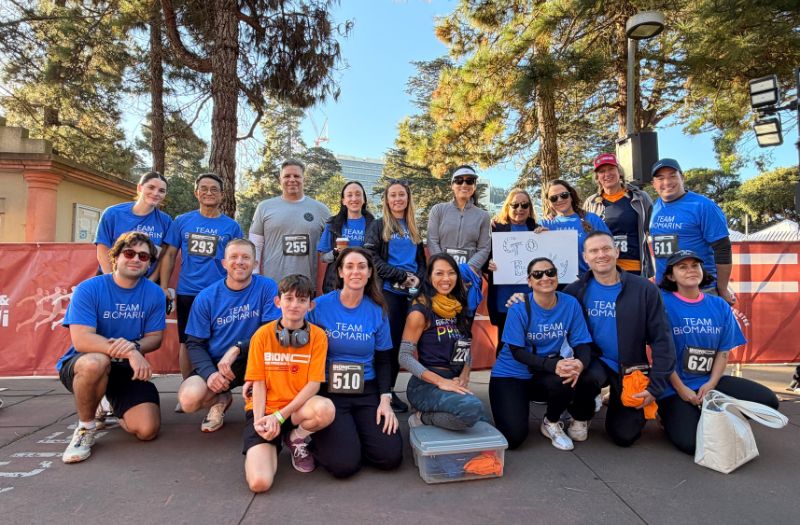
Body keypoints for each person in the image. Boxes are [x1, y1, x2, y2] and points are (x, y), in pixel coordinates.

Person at [56, 232, 166, 464]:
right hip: (85, 364)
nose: (136, 259)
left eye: (143, 256)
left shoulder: (155, 293)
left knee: (147, 430)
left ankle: (108, 400)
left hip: (125, 370)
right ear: (115, 257)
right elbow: (82, 340)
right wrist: (131, 351)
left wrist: (135, 346)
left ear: (149, 263)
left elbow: (155, 338)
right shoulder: (89, 288)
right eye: (129, 253)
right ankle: (86, 428)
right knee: (96, 362)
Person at [656, 250, 779, 454]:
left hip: (709, 382)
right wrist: (682, 389)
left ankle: (714, 414)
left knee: (769, 401)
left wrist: (711, 384)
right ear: (671, 275)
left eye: (695, 265)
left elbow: (723, 351)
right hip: (674, 387)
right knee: (691, 444)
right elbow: (660, 355)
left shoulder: (719, 305)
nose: (690, 270)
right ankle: (668, 416)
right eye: (682, 267)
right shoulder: (662, 304)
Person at [563, 231, 676, 447]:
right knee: (584, 377)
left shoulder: (644, 289)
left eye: (606, 249)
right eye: (594, 251)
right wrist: (520, 300)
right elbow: (546, 309)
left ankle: (616, 398)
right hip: (594, 362)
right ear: (585, 257)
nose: (601, 255)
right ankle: (581, 414)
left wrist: (655, 387)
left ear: (617, 251)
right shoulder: (574, 290)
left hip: (631, 368)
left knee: (624, 437)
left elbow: (662, 340)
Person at [307, 248, 402, 477]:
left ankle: (354, 436)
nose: (355, 271)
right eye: (349, 266)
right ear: (340, 272)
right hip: (330, 392)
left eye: (362, 266)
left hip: (367, 390)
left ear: (369, 273)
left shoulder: (378, 311)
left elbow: (384, 360)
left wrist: (385, 400)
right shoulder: (318, 307)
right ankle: (327, 441)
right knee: (344, 466)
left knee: (389, 457)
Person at [489, 257, 594, 451]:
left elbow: (582, 343)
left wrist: (580, 363)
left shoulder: (570, 304)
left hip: (543, 372)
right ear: (529, 281)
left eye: (550, 272)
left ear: (557, 276)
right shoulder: (519, 307)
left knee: (573, 375)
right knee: (514, 438)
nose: (545, 277)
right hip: (511, 374)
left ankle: (551, 421)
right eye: (537, 274)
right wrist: (554, 365)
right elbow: (517, 352)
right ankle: (516, 403)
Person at [176, 239, 281, 433]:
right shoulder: (206, 297)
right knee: (188, 399)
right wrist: (210, 373)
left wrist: (238, 348)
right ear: (224, 263)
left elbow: (272, 331)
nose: (239, 262)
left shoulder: (267, 287)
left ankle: (270, 413)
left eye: (246, 257)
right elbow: (194, 344)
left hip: (256, 359)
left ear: (255, 263)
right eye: (234, 257)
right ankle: (220, 399)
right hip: (219, 364)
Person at [242, 274, 335, 493]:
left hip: (295, 411)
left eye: (301, 300)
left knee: (325, 408)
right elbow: (258, 383)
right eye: (289, 298)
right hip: (265, 411)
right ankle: (271, 442)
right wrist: (260, 421)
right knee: (259, 483)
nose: (294, 305)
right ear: (278, 301)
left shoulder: (318, 336)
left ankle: (295, 438)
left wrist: (280, 416)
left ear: (310, 306)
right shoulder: (262, 335)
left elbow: (314, 385)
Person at [160, 173, 243, 381]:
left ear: (222, 195)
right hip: (188, 292)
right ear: (196, 193)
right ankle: (188, 385)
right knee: (188, 341)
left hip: (220, 293)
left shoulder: (232, 226)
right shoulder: (182, 221)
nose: (209, 193)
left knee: (219, 339)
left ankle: (217, 385)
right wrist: (163, 286)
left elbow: (238, 259)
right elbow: (169, 255)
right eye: (204, 188)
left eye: (214, 189)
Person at [398, 253, 485, 430]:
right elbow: (404, 357)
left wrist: (465, 375)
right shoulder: (420, 310)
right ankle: (422, 417)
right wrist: (440, 382)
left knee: (480, 417)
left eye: (451, 273)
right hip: (426, 385)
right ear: (429, 277)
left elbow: (466, 346)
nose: (446, 278)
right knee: (472, 410)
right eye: (439, 273)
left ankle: (434, 410)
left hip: (454, 380)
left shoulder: (458, 306)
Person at [364, 180, 426, 413]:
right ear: (387, 200)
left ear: (408, 198)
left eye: (402, 195)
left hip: (411, 295)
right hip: (388, 293)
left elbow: (421, 262)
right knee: (386, 347)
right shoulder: (378, 225)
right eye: (393, 195)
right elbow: (371, 258)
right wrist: (400, 275)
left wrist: (418, 278)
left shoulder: (413, 227)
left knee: (402, 346)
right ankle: (382, 393)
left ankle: (389, 390)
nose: (398, 199)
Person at [649, 158, 735, 305]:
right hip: (665, 291)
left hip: (700, 290)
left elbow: (723, 248)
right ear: (653, 184)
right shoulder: (655, 207)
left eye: (672, 176)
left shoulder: (703, 206)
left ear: (682, 177)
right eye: (660, 178)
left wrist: (722, 288)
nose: (667, 182)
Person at [249, 159, 331, 286]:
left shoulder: (322, 210)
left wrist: (321, 287)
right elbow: (255, 246)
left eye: (296, 176)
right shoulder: (264, 207)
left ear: (304, 179)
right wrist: (255, 278)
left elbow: (326, 252)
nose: (292, 179)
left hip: (307, 286)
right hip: (271, 284)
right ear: (280, 180)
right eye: (287, 176)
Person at [485, 188, 540, 356]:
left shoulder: (538, 230)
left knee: (533, 344)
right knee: (505, 345)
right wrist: (488, 264)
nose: (520, 209)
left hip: (532, 298)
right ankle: (502, 372)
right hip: (504, 299)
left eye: (524, 205)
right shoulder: (495, 228)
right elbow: (483, 257)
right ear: (507, 206)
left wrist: (547, 238)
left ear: (530, 208)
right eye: (515, 205)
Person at [583, 153, 653, 277]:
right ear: (597, 177)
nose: (607, 174)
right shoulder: (591, 203)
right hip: (603, 269)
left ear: (619, 172)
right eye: (602, 171)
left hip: (634, 270)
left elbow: (654, 229)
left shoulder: (640, 197)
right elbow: (581, 233)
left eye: (611, 169)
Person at [95, 171, 172, 280]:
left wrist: (149, 283)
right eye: (151, 187)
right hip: (110, 277)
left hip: (145, 281)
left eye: (161, 191)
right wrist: (113, 281)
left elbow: (162, 257)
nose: (155, 193)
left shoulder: (166, 221)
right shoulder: (113, 213)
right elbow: (102, 250)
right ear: (139, 188)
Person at [427, 165, 491, 282]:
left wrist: (467, 270)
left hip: (469, 277)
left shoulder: (483, 216)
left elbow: (484, 248)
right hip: (442, 277)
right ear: (452, 185)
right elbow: (432, 241)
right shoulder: (438, 210)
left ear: (474, 186)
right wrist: (446, 269)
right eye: (459, 181)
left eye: (469, 181)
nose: (464, 185)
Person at [540, 179, 610, 279]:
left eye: (564, 195)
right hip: (555, 283)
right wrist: (538, 235)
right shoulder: (544, 224)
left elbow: (609, 247)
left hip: (590, 280)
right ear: (549, 202)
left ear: (571, 196)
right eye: (553, 198)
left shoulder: (592, 219)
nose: (559, 200)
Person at [317, 181, 375, 294]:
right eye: (349, 195)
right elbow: (323, 258)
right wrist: (335, 253)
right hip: (335, 283)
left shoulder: (374, 225)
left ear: (364, 199)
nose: (354, 198)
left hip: (364, 284)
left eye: (358, 194)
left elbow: (379, 256)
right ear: (343, 200)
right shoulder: (332, 224)